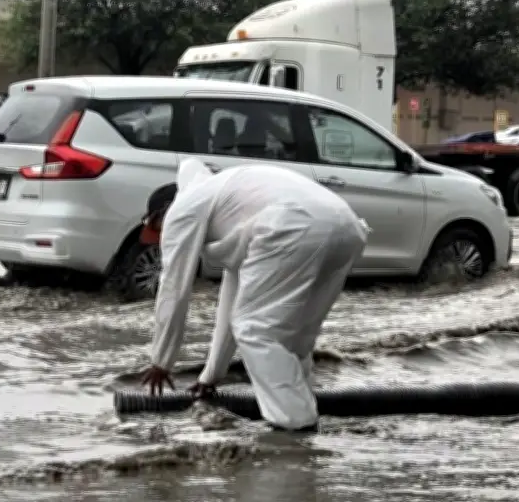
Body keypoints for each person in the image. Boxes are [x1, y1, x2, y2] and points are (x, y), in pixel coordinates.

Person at [139, 158, 369, 431]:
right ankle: (304, 413)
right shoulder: (229, 203)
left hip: (294, 223)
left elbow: (174, 288)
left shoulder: (184, 207)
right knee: (294, 336)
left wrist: (160, 361)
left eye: (157, 228)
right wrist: (211, 376)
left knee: (256, 330)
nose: (161, 236)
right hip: (346, 226)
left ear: (163, 212)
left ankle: (295, 431)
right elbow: (231, 306)